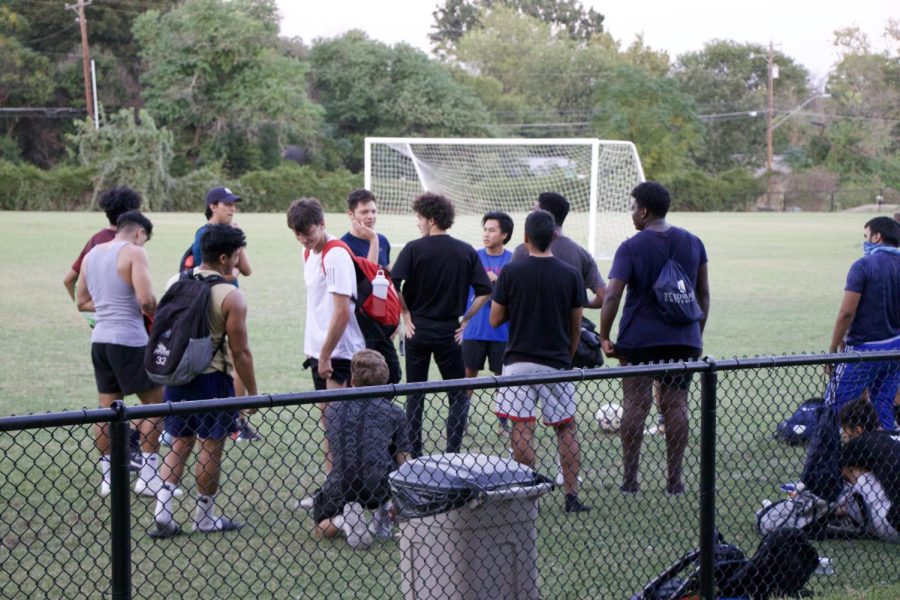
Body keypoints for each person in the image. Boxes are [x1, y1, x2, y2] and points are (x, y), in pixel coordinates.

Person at [599, 181, 710, 496]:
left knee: (635, 403)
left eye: (633, 208)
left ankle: (630, 480)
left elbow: (612, 296)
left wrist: (605, 334)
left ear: (644, 211)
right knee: (676, 406)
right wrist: (695, 334)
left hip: (640, 339)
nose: (632, 214)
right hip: (683, 339)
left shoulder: (631, 247)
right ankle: (674, 481)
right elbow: (703, 293)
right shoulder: (693, 242)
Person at [150, 224, 258, 538]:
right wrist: (251, 393)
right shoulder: (231, 295)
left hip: (177, 375)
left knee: (179, 442)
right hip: (213, 380)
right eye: (236, 256)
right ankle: (204, 516)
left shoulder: (176, 282)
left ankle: (163, 512)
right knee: (211, 446)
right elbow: (241, 352)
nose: (238, 262)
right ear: (224, 257)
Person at [490, 209, 590, 513]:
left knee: (522, 427)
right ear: (554, 237)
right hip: (557, 361)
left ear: (525, 238)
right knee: (566, 428)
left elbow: (495, 319)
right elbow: (577, 326)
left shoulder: (511, 271)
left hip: (518, 360)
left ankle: (525, 498)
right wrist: (566, 357)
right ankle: (571, 497)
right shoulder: (571, 274)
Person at [391, 193, 492, 458]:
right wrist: (466, 319)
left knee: (416, 395)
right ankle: (453, 453)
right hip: (450, 332)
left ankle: (416, 455)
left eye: (420, 218)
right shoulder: (466, 250)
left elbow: (394, 282)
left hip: (418, 331)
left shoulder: (413, 248)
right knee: (458, 395)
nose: (417, 223)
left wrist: (406, 313)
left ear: (432, 219)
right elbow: (485, 290)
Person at [75, 210, 164, 498]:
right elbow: (146, 300)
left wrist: (108, 304)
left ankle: (109, 479)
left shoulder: (91, 255)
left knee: (107, 409)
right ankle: (148, 478)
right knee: (156, 405)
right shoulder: (134, 253)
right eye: (145, 240)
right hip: (129, 340)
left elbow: (82, 301)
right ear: (139, 233)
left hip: (99, 340)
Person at [287, 197, 366, 472]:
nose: (302, 240)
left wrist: (324, 354)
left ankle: (348, 496)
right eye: (297, 234)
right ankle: (335, 490)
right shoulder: (308, 252)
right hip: (320, 352)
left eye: (306, 233)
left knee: (340, 425)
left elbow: (342, 312)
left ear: (322, 224)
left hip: (338, 353)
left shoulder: (335, 255)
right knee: (329, 423)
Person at [309, 349, 410, 549]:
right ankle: (385, 511)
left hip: (342, 481)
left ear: (352, 379)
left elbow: (331, 449)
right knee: (384, 454)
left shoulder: (333, 408)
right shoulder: (394, 413)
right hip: (380, 484)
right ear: (387, 381)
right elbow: (404, 460)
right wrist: (405, 496)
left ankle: (342, 522)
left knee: (320, 526)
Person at [189, 186, 259, 442]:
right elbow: (207, 275)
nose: (232, 208)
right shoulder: (204, 235)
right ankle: (235, 420)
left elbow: (248, 269)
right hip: (216, 304)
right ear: (212, 206)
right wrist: (234, 274)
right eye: (227, 204)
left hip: (233, 304)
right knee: (232, 359)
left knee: (235, 357)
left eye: (233, 204)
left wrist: (237, 239)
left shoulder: (228, 234)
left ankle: (236, 418)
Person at [827, 216, 900, 430]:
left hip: (863, 350)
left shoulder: (863, 265)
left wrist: (834, 347)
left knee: (835, 404)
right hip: (896, 349)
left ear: (877, 236)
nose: (865, 240)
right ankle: (889, 460)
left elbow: (846, 312)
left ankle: (829, 459)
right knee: (882, 408)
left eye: (866, 235)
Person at [340, 188, 401, 384]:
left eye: (373, 211)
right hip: (361, 322)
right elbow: (370, 276)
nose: (371, 216)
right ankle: (364, 413)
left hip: (383, 321)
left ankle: (380, 413)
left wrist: (396, 318)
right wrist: (373, 241)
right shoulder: (344, 246)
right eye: (364, 212)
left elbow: (388, 280)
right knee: (365, 377)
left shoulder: (383, 240)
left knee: (393, 375)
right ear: (351, 214)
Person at [462, 211, 514, 435]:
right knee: (467, 378)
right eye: (485, 229)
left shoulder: (513, 260)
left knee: (501, 380)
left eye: (492, 230)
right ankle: (460, 421)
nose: (486, 234)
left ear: (504, 234)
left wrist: (499, 282)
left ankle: (503, 423)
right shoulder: (472, 257)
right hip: (473, 328)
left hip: (501, 331)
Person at [512, 192, 605, 309]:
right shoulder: (582, 254)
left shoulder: (522, 251)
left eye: (534, 210)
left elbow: (510, 297)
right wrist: (579, 302)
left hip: (529, 325)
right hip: (568, 326)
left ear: (543, 216)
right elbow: (603, 297)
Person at [64, 186, 142, 313]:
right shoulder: (130, 244)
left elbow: (68, 280)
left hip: (101, 322)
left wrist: (90, 313)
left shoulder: (95, 239)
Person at [838, 397, 899, 542]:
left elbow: (840, 468)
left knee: (852, 470)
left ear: (858, 430)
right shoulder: (893, 436)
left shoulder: (862, 441)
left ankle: (848, 512)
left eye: (847, 433)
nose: (844, 436)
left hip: (893, 527)